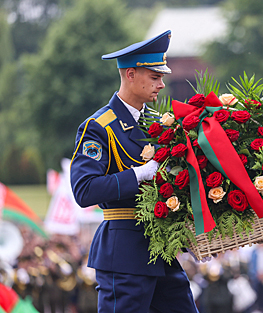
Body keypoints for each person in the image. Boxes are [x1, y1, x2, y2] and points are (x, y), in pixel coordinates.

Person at [70, 30, 199, 312]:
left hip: (160, 250)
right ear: (130, 74)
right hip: (124, 252)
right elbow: (84, 190)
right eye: (155, 77)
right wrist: (139, 174)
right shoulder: (99, 126)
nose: (162, 85)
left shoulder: (155, 123)